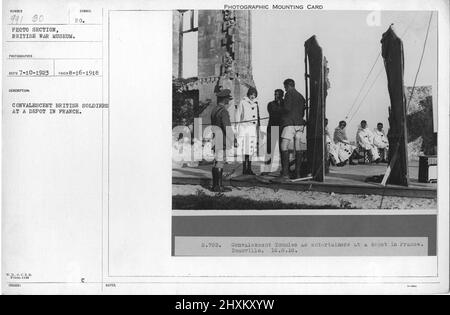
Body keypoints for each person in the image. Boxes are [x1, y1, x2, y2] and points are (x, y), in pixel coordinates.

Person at [273, 79, 307, 182]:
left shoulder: (289, 94)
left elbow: (287, 108)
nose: (285, 89)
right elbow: (302, 113)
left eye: (285, 87)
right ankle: (297, 173)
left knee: (284, 146)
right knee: (298, 147)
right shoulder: (301, 96)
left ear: (288, 85)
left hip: (290, 124)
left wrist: (278, 110)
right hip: (300, 125)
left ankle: (285, 174)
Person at [210, 89, 235, 192]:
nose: (228, 102)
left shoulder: (214, 110)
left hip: (215, 139)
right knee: (220, 162)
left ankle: (215, 185)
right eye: (227, 100)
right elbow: (227, 127)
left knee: (216, 161)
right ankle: (218, 186)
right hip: (222, 140)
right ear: (224, 100)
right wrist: (234, 139)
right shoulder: (224, 111)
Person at [235, 87, 260, 175]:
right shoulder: (243, 102)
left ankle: (249, 168)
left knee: (251, 150)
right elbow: (238, 116)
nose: (252, 96)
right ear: (248, 94)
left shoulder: (256, 104)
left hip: (252, 129)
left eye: (254, 95)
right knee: (244, 149)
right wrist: (237, 130)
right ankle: (244, 169)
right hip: (244, 128)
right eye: (251, 94)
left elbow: (257, 118)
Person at [266, 89, 284, 165]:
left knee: (281, 146)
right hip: (272, 127)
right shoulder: (270, 104)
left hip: (281, 127)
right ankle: (269, 160)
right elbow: (273, 112)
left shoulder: (285, 104)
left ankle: (282, 161)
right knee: (270, 146)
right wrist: (280, 107)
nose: (276, 96)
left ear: (282, 95)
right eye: (275, 94)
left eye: (278, 94)